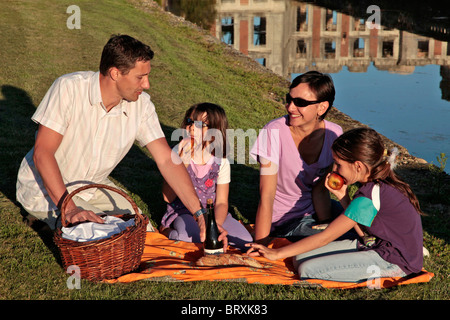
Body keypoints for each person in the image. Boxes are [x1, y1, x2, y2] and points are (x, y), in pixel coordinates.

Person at [16, 34, 219, 245]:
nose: (147, 84)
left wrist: (199, 214)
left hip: (92, 187)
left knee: (142, 232)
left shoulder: (142, 105)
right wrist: (70, 208)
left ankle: (59, 225)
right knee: (106, 238)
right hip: (43, 188)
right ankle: (49, 221)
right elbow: (43, 153)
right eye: (140, 77)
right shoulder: (69, 88)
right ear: (115, 73)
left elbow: (167, 160)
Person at [247, 128, 424, 283]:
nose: (334, 171)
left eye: (338, 165)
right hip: (377, 245)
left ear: (358, 166)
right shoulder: (377, 183)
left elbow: (326, 236)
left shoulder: (370, 195)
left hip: (396, 261)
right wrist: (343, 197)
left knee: (308, 269)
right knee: (298, 258)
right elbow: (363, 227)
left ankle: (391, 273)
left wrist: (277, 254)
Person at [249, 71, 343, 245]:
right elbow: (267, 195)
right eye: (289, 99)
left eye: (300, 103)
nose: (290, 107)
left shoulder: (334, 134)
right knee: (342, 239)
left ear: (322, 107)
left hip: (315, 209)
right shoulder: (273, 132)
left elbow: (320, 189)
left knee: (365, 225)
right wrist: (261, 244)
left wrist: (325, 224)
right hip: (285, 219)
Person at [160, 103, 252, 251]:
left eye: (200, 124)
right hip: (184, 212)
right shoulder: (178, 152)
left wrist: (215, 226)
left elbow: (221, 202)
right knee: (191, 240)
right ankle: (166, 229)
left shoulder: (221, 161)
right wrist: (182, 163)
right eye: (189, 122)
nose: (191, 128)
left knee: (246, 242)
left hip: (212, 213)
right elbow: (167, 197)